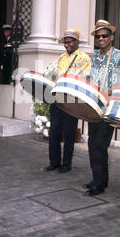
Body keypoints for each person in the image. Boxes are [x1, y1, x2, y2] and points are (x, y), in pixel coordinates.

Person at [84, 20, 120, 196]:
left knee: (100, 144)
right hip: (94, 105)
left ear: (111, 37)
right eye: (98, 36)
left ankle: (99, 184)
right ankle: (98, 179)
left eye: (104, 35)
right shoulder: (94, 56)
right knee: (92, 142)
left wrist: (113, 89)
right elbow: (89, 77)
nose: (101, 38)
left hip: (109, 105)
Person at [44, 29, 91, 173]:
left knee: (69, 133)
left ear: (77, 42)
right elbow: (54, 74)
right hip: (57, 99)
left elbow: (86, 79)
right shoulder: (61, 58)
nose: (66, 45)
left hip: (72, 100)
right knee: (54, 132)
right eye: (65, 42)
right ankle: (54, 162)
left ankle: (66, 164)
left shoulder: (84, 58)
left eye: (69, 42)